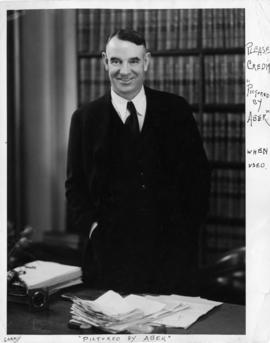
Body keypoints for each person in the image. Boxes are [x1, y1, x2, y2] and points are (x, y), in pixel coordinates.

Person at [65, 29, 210, 295]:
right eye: (116, 61)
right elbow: (75, 187)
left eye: (133, 61)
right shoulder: (84, 119)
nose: (125, 71)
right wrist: (93, 229)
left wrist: (186, 232)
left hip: (172, 260)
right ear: (105, 62)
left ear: (146, 62)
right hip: (108, 261)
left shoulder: (176, 110)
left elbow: (199, 178)